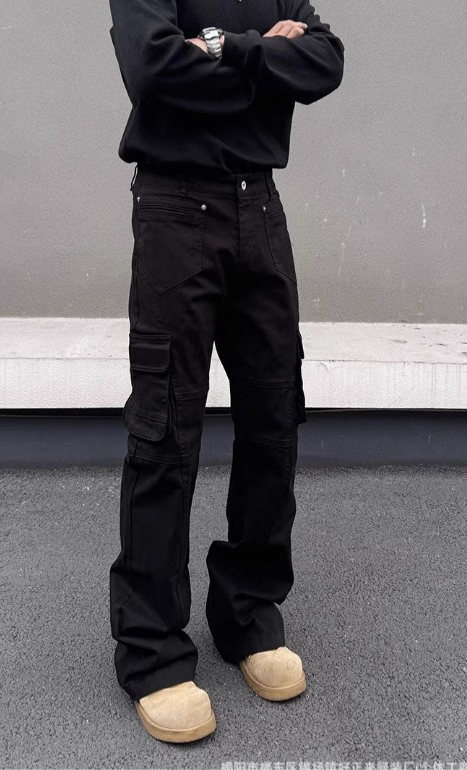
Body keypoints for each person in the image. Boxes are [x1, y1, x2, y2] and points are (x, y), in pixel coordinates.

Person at [107, 0, 344, 743]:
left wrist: (217, 49)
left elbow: (325, 61)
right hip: (176, 209)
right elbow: (153, 68)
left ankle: (247, 614)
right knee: (166, 429)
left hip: (259, 210)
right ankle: (152, 650)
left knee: (275, 416)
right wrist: (263, 57)